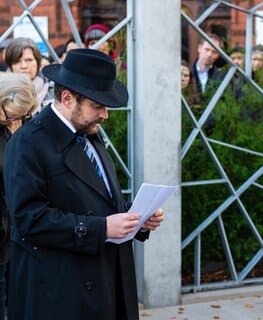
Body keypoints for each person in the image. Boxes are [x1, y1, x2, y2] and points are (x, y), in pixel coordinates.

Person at [3, 48, 164, 320]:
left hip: (105, 282)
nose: (105, 115)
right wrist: (101, 228)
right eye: (97, 106)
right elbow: (28, 218)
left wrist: (134, 217)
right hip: (60, 293)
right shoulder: (28, 142)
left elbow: (93, 198)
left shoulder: (88, 132)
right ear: (67, 98)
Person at [0, 73, 37, 320]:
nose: (15, 121)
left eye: (21, 117)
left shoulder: (13, 128)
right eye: (11, 115)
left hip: (11, 233)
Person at [4, 37, 53, 111]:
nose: (24, 66)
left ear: (38, 62)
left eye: (29, 60)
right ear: (11, 66)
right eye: (17, 61)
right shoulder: (3, 91)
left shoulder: (54, 90)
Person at [190, 34, 225, 103]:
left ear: (218, 55)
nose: (209, 54)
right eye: (207, 49)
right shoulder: (187, 72)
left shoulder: (222, 77)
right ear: (199, 48)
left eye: (214, 52)